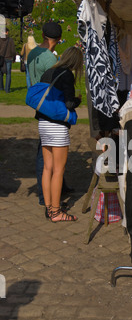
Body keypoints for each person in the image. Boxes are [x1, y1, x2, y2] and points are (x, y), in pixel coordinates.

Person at [38, 46, 83, 222]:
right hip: (57, 125)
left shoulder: (49, 72)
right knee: (59, 169)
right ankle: (56, 212)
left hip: (43, 122)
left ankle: (49, 206)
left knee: (47, 168)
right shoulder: (66, 75)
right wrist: (78, 101)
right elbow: (69, 104)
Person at [27, 21, 63, 207]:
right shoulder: (50, 59)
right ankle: (45, 195)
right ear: (56, 39)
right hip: (48, 103)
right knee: (47, 152)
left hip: (37, 99)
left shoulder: (33, 52)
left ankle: (59, 186)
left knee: (49, 149)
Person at [0, 28, 16, 93]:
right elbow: (13, 50)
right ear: (7, 32)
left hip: (1, 58)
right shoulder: (10, 40)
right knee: (8, 74)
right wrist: (14, 58)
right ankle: (7, 89)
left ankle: (1, 87)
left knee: (0, 73)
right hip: (9, 58)